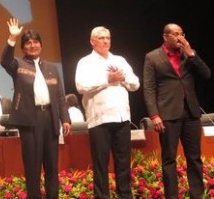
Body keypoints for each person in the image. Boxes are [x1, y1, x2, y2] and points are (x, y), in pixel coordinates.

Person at [0, 19, 70, 199]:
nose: (33, 45)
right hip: (29, 121)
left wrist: (66, 119)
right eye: (28, 43)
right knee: (33, 167)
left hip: (50, 119)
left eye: (36, 42)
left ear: (41, 45)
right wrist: (12, 38)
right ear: (23, 48)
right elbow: (4, 60)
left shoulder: (52, 68)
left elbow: (60, 96)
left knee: (52, 167)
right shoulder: (18, 64)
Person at [143, 23, 211, 199]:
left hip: (191, 112)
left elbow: (207, 74)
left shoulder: (189, 55)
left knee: (194, 158)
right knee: (169, 160)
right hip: (168, 114)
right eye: (175, 34)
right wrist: (155, 115)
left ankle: (197, 195)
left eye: (181, 33)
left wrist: (192, 55)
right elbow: (149, 88)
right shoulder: (152, 57)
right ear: (165, 37)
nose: (180, 37)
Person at [75, 26, 140, 199]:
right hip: (99, 119)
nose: (106, 41)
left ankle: (125, 195)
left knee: (123, 163)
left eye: (108, 38)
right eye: (101, 38)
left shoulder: (120, 60)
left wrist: (123, 77)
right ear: (92, 41)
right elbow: (81, 86)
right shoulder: (85, 62)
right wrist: (107, 80)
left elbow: (136, 83)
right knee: (101, 164)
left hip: (122, 118)